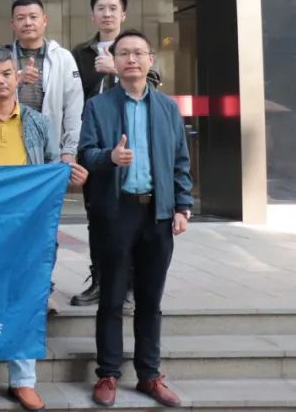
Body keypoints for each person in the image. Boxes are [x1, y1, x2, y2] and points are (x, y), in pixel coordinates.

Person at [0, 47, 88, 412]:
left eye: (6, 73)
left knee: (26, 301)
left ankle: (23, 380)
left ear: (17, 79)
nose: (0, 80)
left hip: (29, 228)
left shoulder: (38, 123)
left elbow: (51, 169)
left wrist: (69, 176)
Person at [78, 30, 192, 409]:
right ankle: (108, 373)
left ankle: (149, 374)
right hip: (117, 212)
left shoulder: (167, 108)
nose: (131, 59)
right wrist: (109, 158)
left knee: (150, 299)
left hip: (157, 213)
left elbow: (180, 161)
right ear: (114, 60)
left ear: (150, 60)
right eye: (124, 53)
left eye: (138, 53)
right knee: (111, 297)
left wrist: (182, 206)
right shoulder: (99, 106)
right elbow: (86, 153)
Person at [70, 0, 161, 307]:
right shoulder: (80, 53)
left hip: (133, 143)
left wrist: (115, 68)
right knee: (98, 215)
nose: (107, 14)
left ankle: (131, 282)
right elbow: (72, 94)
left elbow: (154, 83)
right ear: (92, 15)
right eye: (101, 8)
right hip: (95, 141)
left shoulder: (135, 48)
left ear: (123, 14)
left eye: (113, 8)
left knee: (135, 216)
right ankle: (101, 280)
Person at [10, 0, 84, 313]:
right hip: (10, 155)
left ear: (44, 20)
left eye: (33, 16)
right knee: (12, 227)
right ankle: (13, 289)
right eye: (21, 17)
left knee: (45, 228)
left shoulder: (62, 58)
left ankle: (44, 289)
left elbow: (74, 107)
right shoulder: (2, 57)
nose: (27, 22)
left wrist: (69, 151)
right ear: (13, 24)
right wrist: (15, 81)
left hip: (48, 156)